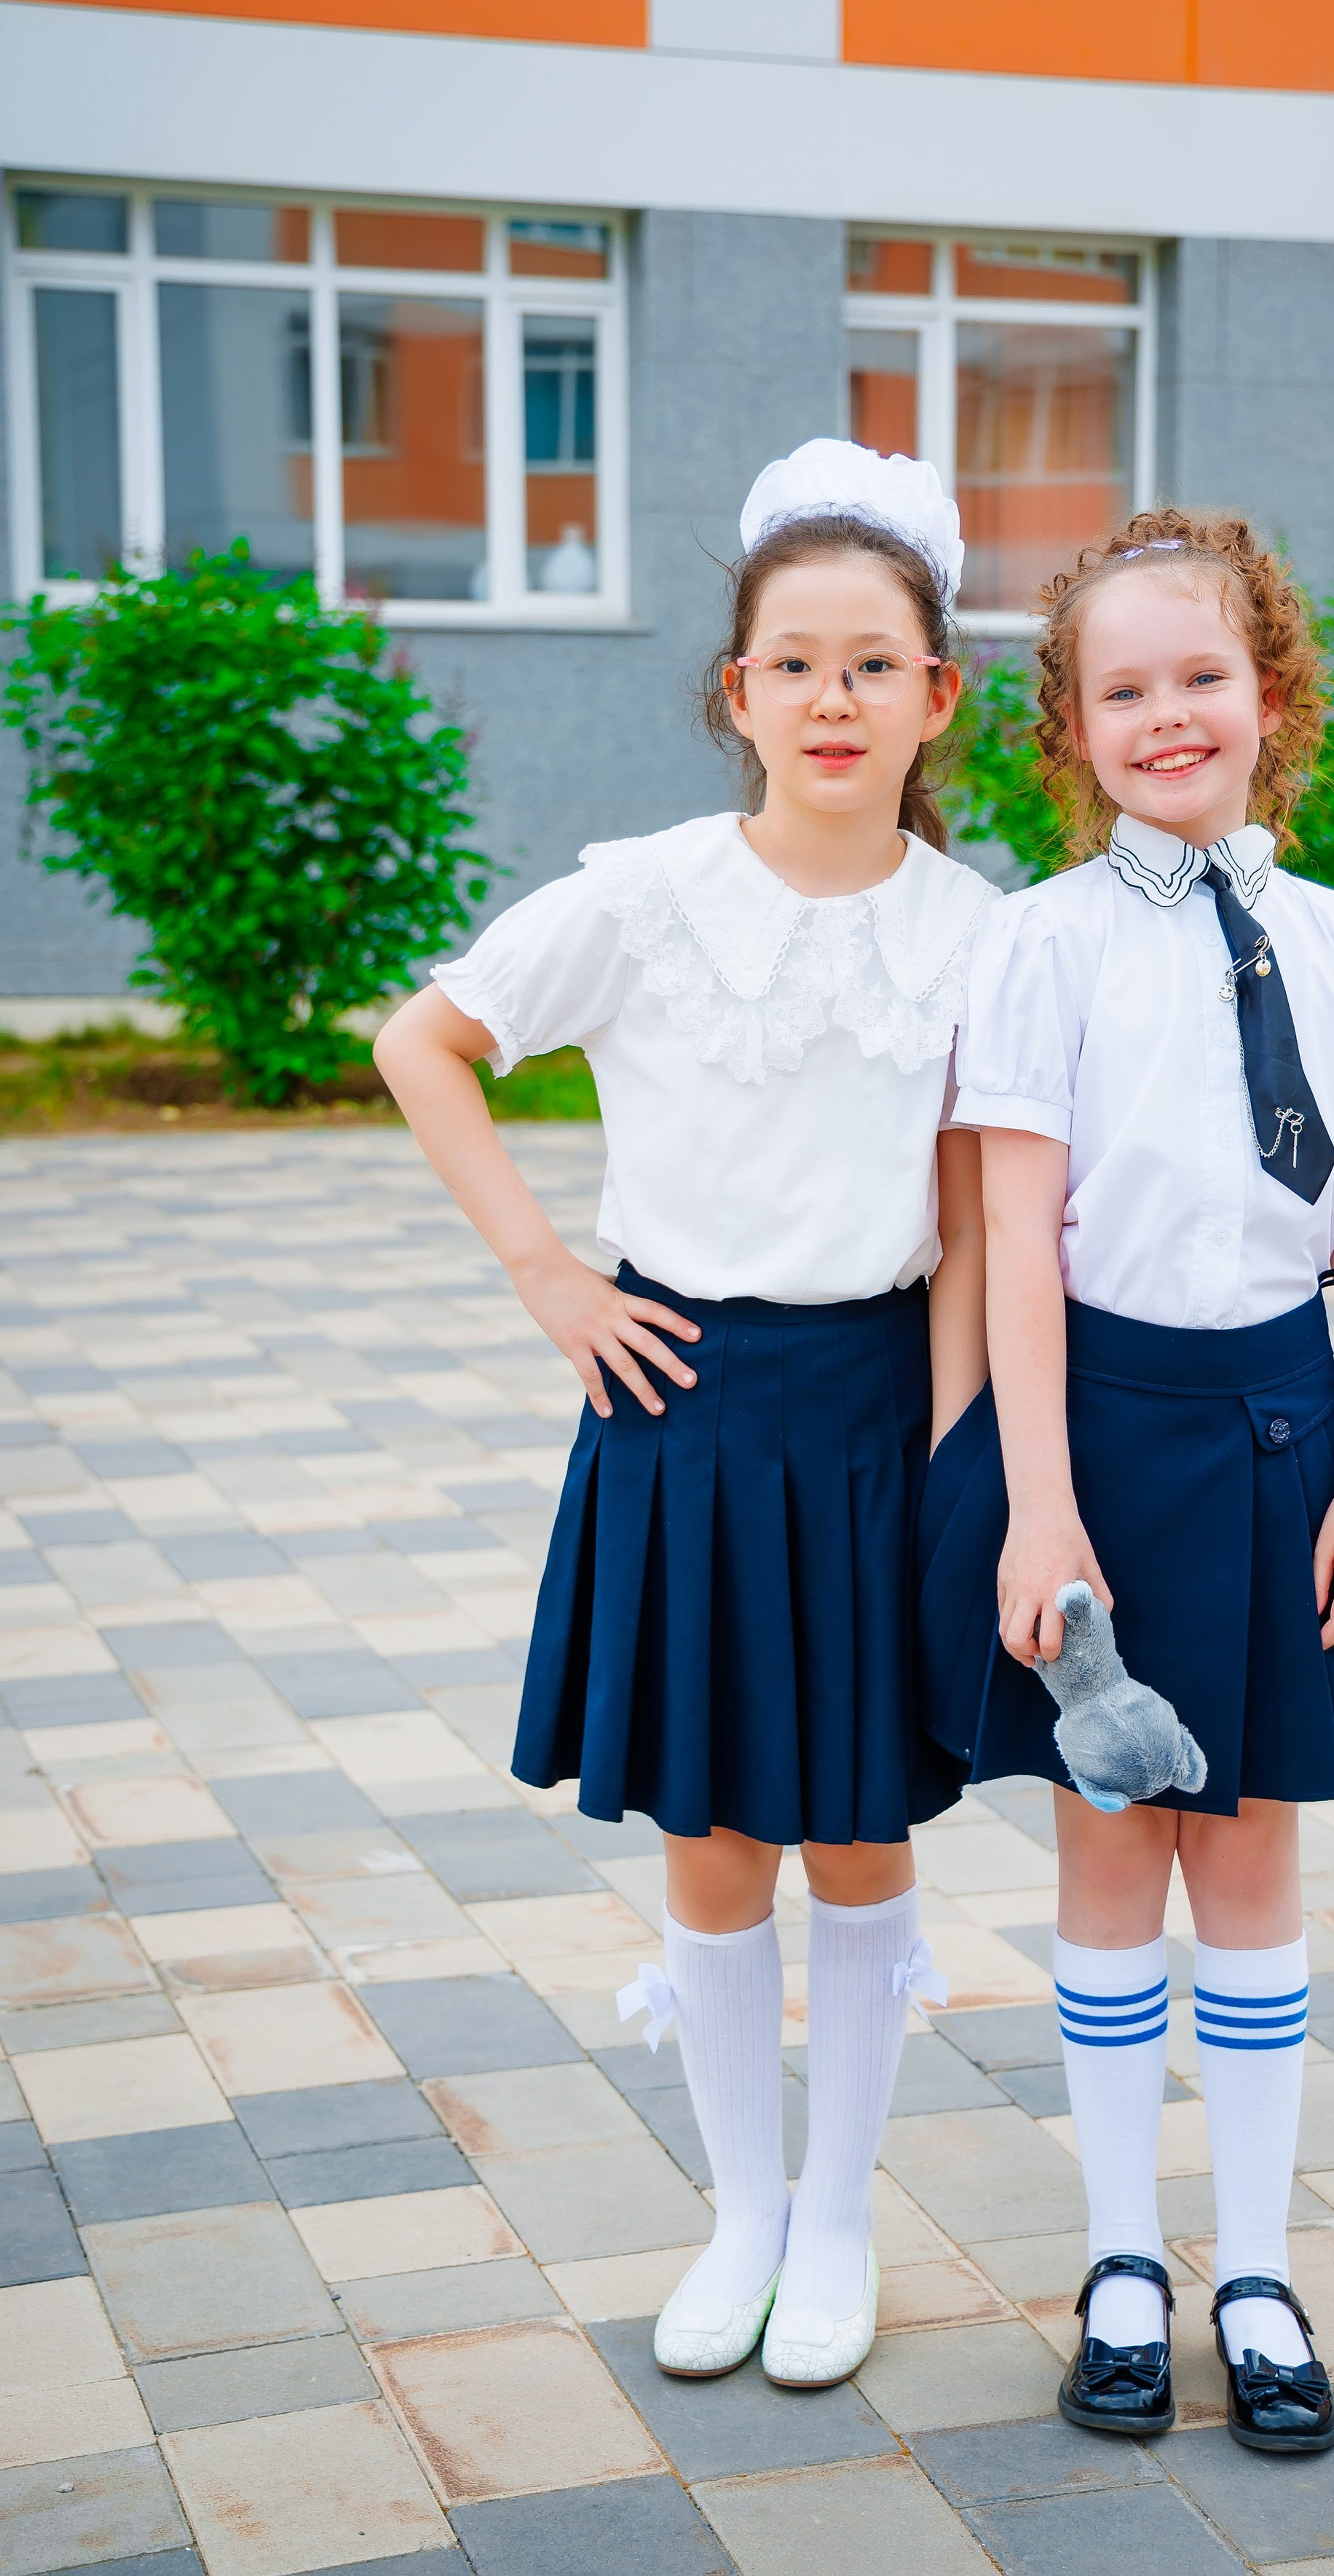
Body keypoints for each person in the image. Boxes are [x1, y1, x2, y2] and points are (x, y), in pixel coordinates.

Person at [374, 440, 998, 2391]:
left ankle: (838, 2222)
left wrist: (970, 1470)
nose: (833, 697)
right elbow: (428, 1038)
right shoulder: (645, 896)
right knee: (721, 1842)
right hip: (686, 1405)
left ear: (936, 696)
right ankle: (739, 2212)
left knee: (867, 1836)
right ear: (738, 690)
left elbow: (982, 1225)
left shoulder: (984, 931)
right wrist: (552, 1277)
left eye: (873, 664)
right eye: (794, 662)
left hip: (887, 1403)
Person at [916, 510, 1334, 2455]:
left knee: (1249, 1854)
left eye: (1201, 678)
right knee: (1111, 1842)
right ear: (1070, 725)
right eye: (1122, 689)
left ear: (1273, 698)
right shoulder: (1035, 946)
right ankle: (1122, 2257)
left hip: (1286, 1441)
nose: (1168, 716)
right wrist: (1037, 1510)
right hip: (1100, 1441)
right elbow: (1018, 1240)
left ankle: (1256, 2266)